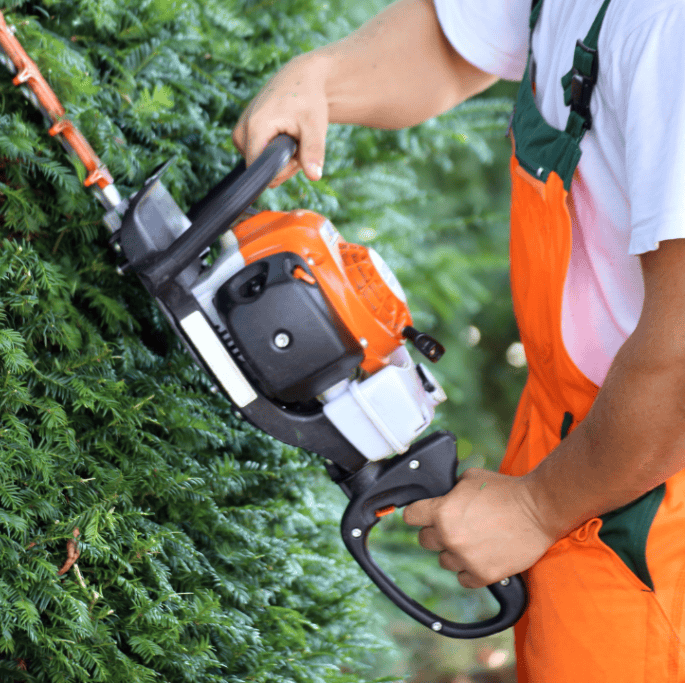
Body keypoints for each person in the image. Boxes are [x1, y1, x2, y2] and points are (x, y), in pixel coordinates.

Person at [232, 0, 685, 680]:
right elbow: (451, 41)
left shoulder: (667, 30)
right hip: (577, 433)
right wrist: (321, 79)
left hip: (654, 472)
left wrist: (540, 506)